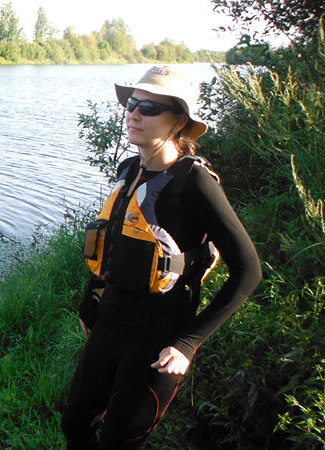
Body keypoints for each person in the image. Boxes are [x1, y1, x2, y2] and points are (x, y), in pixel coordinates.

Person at [60, 65, 262, 449]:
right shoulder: (129, 169)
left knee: (118, 440)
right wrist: (91, 299)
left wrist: (187, 343)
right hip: (110, 322)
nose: (134, 113)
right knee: (74, 425)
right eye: (133, 104)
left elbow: (248, 270)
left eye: (150, 108)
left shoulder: (195, 181)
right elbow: (118, 245)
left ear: (180, 122)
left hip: (159, 337)